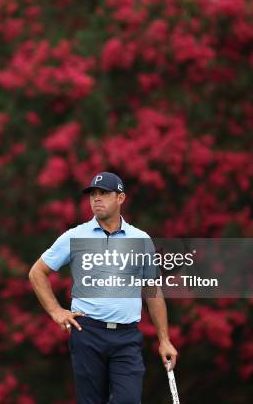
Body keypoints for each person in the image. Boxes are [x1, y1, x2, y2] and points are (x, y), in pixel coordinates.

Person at [28, 172, 178, 404]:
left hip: (127, 336)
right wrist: (56, 312)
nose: (96, 199)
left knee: (128, 400)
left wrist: (164, 340)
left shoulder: (140, 240)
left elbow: (152, 291)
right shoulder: (75, 236)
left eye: (104, 193)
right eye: (93, 194)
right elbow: (37, 272)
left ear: (121, 198)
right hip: (87, 333)